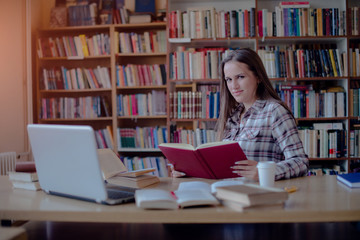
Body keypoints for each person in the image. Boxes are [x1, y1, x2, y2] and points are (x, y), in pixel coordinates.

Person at [172, 48, 309, 181]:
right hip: (230, 193)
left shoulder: (274, 112)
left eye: (240, 77)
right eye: (229, 79)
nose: (234, 86)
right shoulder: (232, 116)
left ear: (258, 77)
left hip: (261, 196)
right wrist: (189, 171)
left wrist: (264, 170)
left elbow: (300, 162)